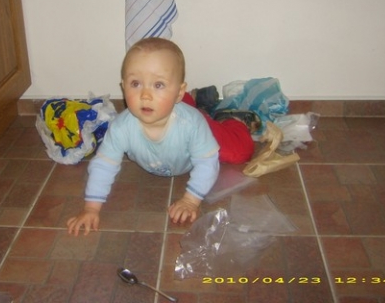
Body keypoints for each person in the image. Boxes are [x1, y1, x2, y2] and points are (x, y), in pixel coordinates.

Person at [67, 38, 255, 236]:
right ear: (123, 87)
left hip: (188, 118)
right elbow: (104, 165)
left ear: (178, 92)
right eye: (136, 83)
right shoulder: (121, 128)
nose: (145, 95)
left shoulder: (192, 124)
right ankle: (194, 98)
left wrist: (191, 200)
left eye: (158, 84)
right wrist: (91, 208)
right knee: (167, 104)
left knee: (239, 152)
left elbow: (208, 163)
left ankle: (231, 119)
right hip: (170, 105)